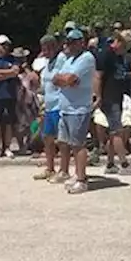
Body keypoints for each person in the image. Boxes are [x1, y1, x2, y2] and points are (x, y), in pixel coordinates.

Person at [51, 29, 97, 193]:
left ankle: (82, 179)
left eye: (72, 42)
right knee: (63, 142)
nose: (68, 45)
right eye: (67, 42)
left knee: (78, 145)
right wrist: (64, 80)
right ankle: (68, 172)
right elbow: (55, 78)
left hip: (78, 108)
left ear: (81, 42)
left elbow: (69, 79)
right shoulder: (68, 59)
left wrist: (65, 80)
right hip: (65, 107)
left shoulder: (86, 58)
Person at [95, 31, 131, 175]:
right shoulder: (106, 54)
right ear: (119, 42)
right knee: (117, 131)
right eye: (125, 46)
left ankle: (110, 164)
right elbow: (98, 77)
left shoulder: (118, 57)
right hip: (108, 98)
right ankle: (124, 165)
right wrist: (98, 97)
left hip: (117, 97)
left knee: (113, 133)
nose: (125, 50)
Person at [33, 35, 64, 181]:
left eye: (46, 49)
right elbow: (45, 87)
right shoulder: (47, 64)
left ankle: (64, 170)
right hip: (49, 106)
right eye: (43, 49)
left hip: (60, 105)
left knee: (62, 140)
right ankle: (50, 168)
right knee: (47, 138)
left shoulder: (62, 59)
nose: (44, 52)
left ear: (54, 47)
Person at [0, 36, 22, 159]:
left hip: (10, 95)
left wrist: (0, 73)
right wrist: (8, 73)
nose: (5, 47)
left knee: (8, 123)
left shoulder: (13, 59)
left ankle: (6, 147)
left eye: (6, 45)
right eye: (2, 45)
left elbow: (16, 71)